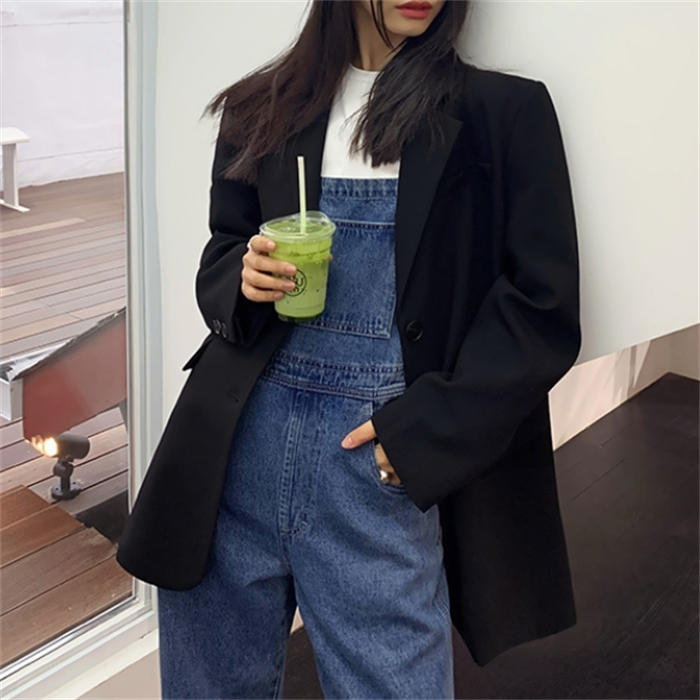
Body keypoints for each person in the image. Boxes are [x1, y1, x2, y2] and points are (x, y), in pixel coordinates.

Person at [116, 0, 582, 697]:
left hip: (374, 469)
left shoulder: (502, 112)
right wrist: (244, 275)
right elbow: (221, 252)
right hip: (233, 456)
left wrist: (421, 436)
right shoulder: (261, 107)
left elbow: (543, 306)